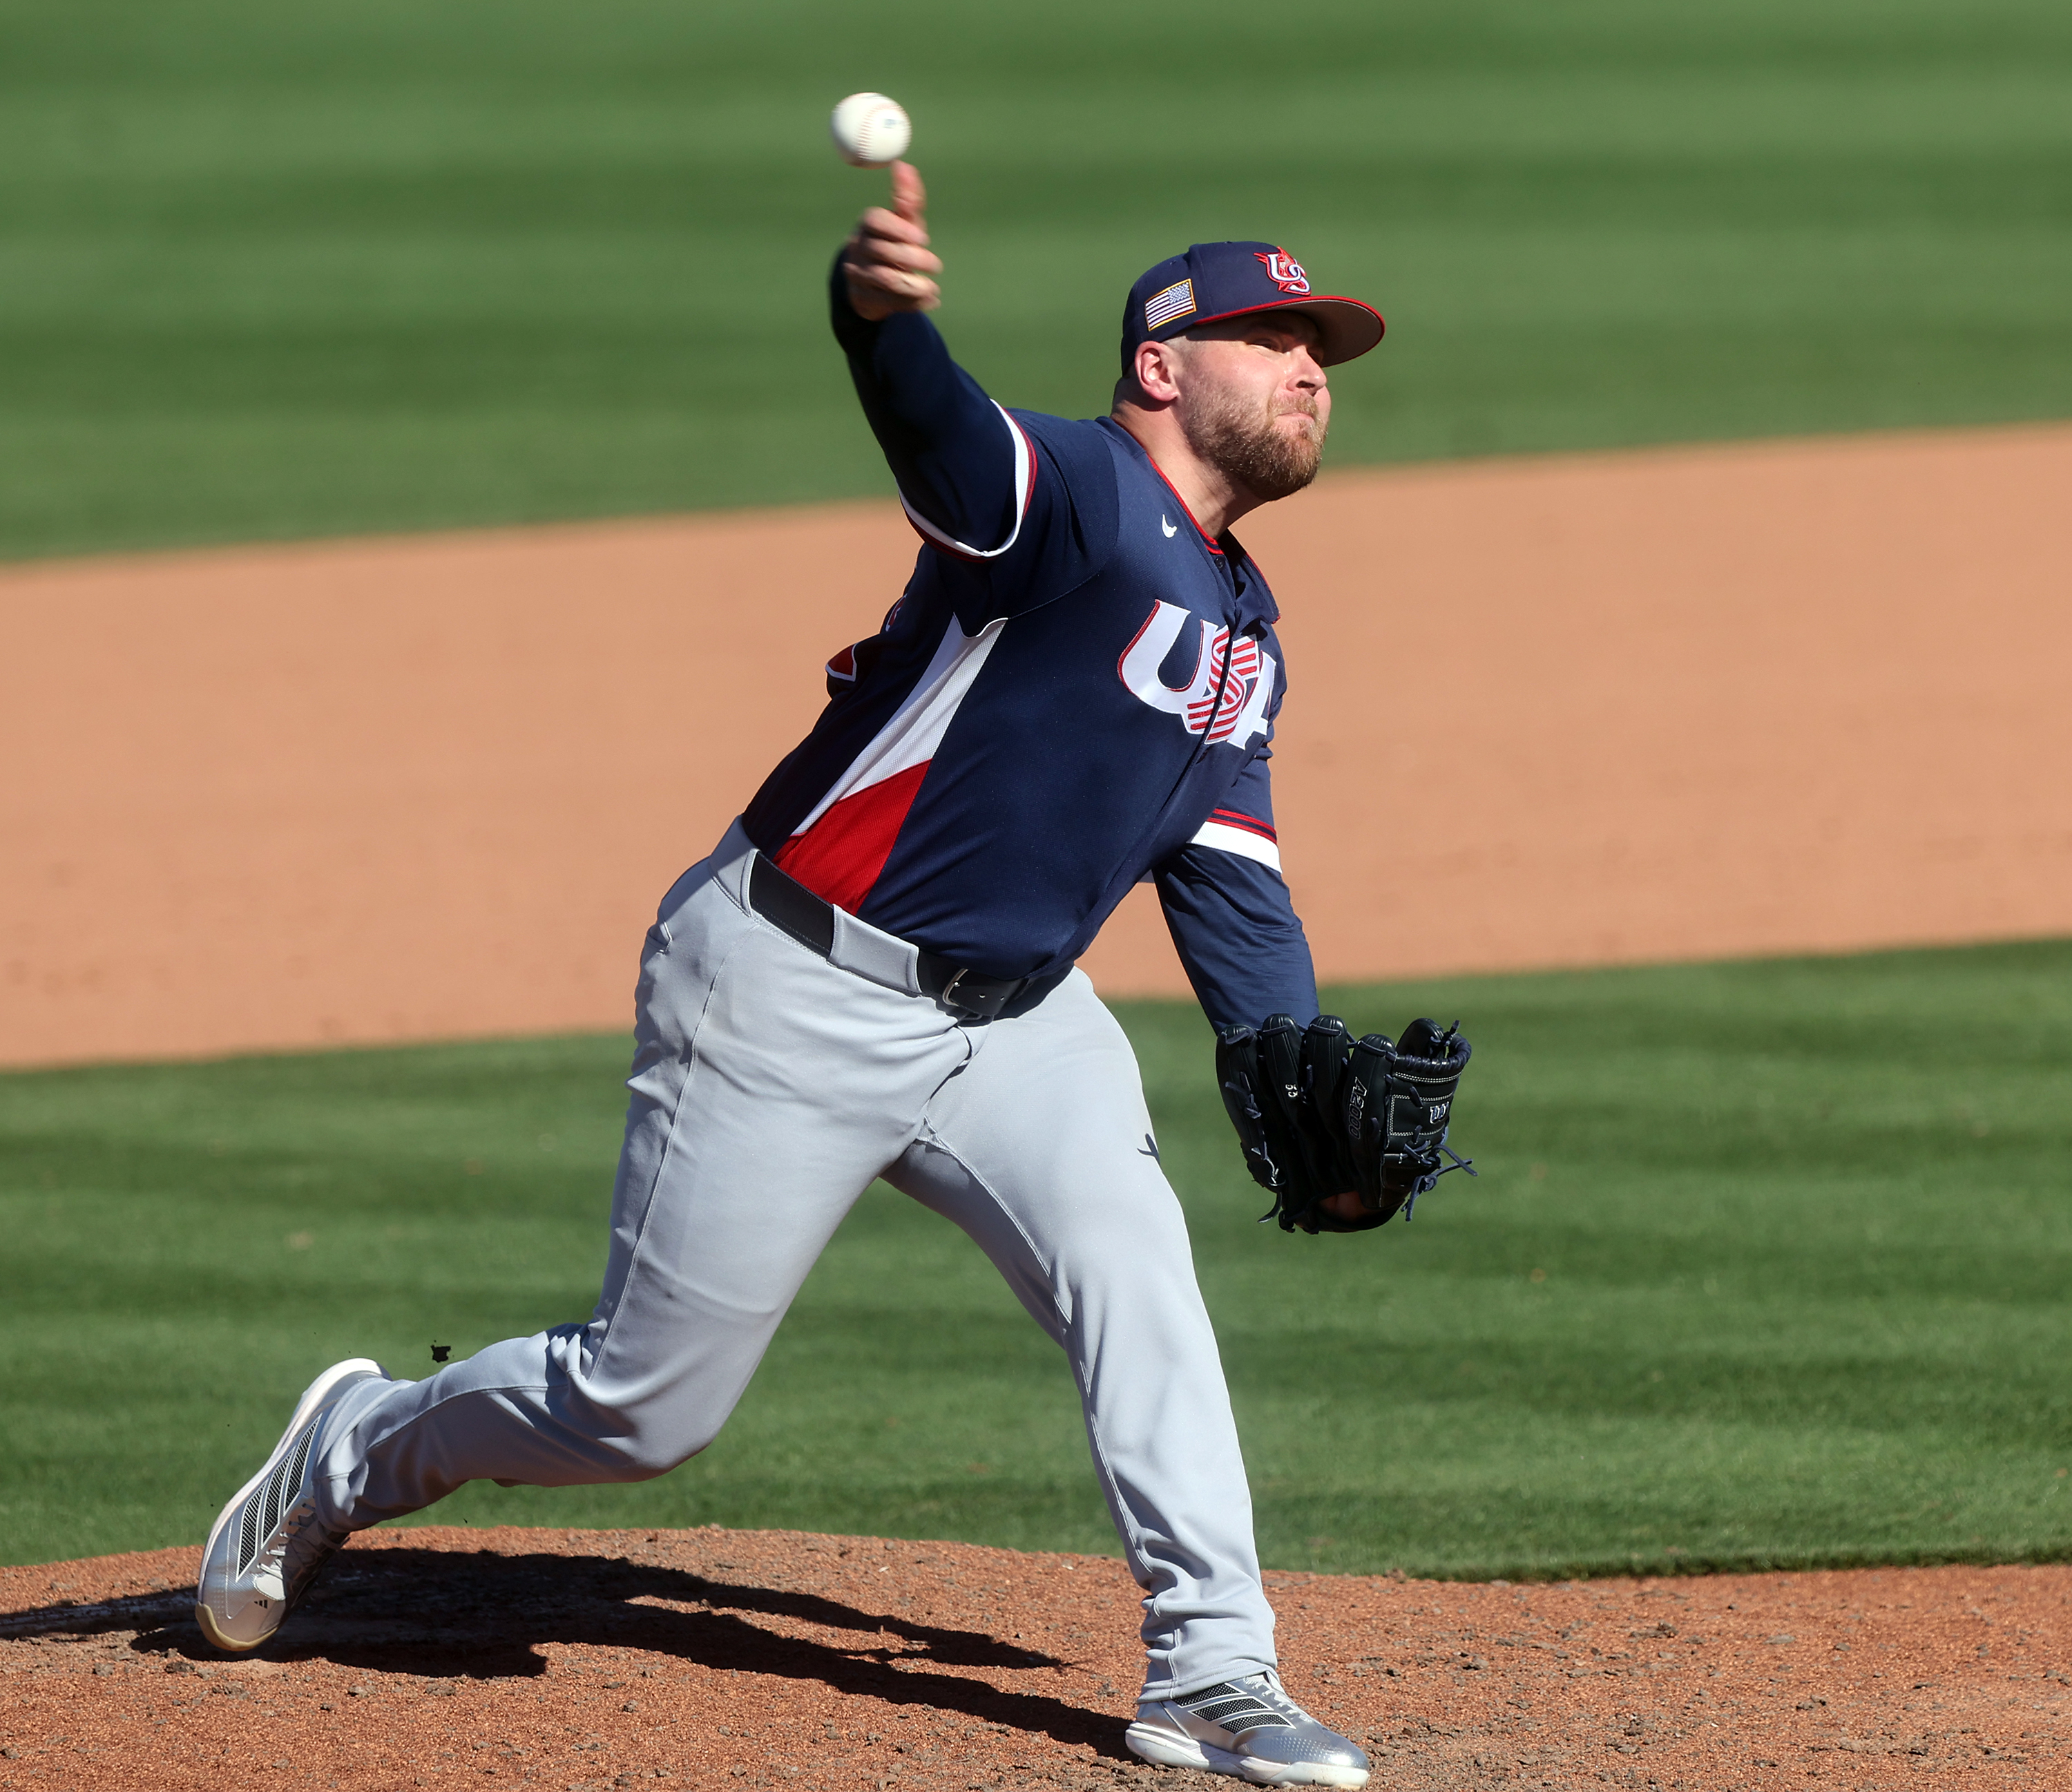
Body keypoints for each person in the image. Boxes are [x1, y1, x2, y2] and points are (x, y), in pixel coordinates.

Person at [195, 161, 1385, 1789]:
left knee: (1147, 1293)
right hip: (789, 986)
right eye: (1272, 335)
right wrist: (877, 320)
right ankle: (347, 1448)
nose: (1312, 365)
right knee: (638, 1411)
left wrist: (1292, 1054)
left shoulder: (1245, 622)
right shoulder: (1077, 494)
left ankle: (1215, 1670)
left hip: (1023, 1026)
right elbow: (944, 432)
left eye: (1322, 344)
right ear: (1164, 366)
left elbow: (1229, 870)